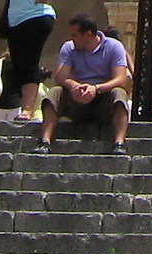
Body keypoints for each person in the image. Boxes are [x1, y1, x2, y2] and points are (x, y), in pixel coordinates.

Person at [0, 0, 66, 130]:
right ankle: (23, 106)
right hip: (17, 21)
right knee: (19, 64)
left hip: (34, 17)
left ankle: (27, 109)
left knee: (28, 62)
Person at [39, 14, 132, 153]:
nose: (72, 39)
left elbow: (121, 79)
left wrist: (96, 89)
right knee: (54, 93)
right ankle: (45, 141)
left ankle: (119, 143)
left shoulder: (114, 47)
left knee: (119, 93)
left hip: (103, 98)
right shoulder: (68, 48)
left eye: (75, 35)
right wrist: (74, 86)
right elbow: (60, 77)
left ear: (87, 35)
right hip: (77, 97)